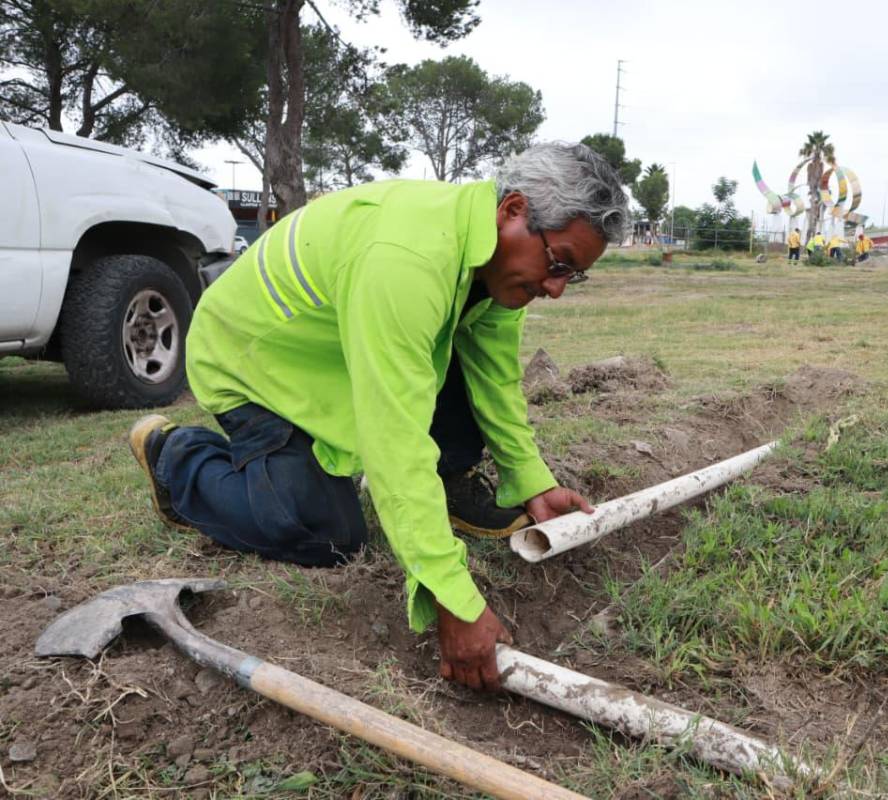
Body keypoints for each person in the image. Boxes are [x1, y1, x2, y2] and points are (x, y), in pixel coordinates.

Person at [128, 143, 629, 692]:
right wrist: (451, 596)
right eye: (558, 263)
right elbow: (395, 432)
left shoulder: (495, 264)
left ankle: (446, 483)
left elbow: (494, 379)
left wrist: (532, 482)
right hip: (255, 361)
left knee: (461, 370)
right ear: (513, 211)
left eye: (573, 276)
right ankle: (178, 460)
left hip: (337, 352)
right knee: (325, 531)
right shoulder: (407, 258)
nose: (555, 289)